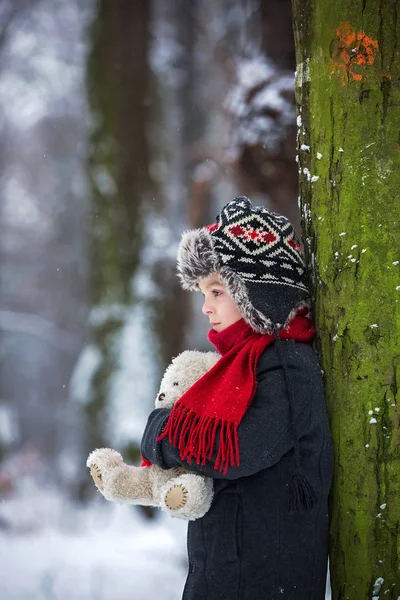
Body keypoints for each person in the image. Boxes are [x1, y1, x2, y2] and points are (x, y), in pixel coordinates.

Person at [141, 196, 333, 600]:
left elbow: (236, 450)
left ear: (258, 291)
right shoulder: (239, 364)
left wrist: (160, 431)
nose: (206, 308)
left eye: (217, 291)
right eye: (201, 293)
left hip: (266, 579)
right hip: (225, 570)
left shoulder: (286, 366)